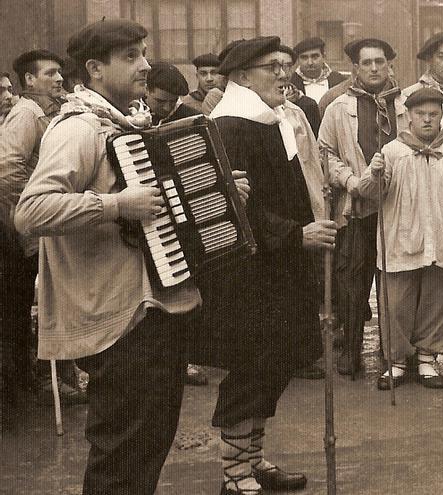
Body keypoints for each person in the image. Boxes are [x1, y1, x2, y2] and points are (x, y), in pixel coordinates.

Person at [14, 19, 241, 494]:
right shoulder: (79, 128)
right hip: (116, 321)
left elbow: (165, 211)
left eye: (144, 53)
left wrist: (220, 192)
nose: (146, 65)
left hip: (150, 312)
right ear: (95, 69)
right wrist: (117, 205)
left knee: (146, 447)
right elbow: (31, 211)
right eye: (131, 57)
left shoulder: (132, 125)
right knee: (120, 452)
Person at [199, 35, 334, 494]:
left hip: (283, 266)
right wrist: (296, 234)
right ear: (239, 77)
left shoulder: (275, 118)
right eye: (271, 67)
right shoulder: (230, 126)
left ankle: (251, 460)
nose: (284, 73)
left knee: (276, 362)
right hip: (250, 272)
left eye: (285, 65)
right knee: (253, 364)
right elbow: (232, 207)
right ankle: (233, 474)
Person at [358, 87, 443, 389]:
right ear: (409, 117)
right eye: (420, 115)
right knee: (397, 303)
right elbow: (369, 194)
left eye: (433, 114)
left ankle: (428, 356)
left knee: (439, 298)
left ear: (442, 115)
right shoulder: (391, 152)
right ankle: (398, 360)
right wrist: (375, 175)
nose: (427, 120)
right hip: (402, 239)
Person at [0, 48, 88, 406]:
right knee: (46, 304)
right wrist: (35, 214)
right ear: (29, 81)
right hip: (31, 233)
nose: (59, 80)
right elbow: (6, 171)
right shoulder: (27, 112)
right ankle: (45, 383)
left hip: (40, 230)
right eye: (50, 74)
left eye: (60, 74)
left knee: (52, 303)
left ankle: (49, 379)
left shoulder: (47, 111)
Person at [319, 38, 407, 375]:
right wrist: (348, 180)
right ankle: (352, 348)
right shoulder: (339, 106)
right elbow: (324, 152)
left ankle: (393, 349)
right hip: (356, 208)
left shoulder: (404, 104)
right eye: (366, 63)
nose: (373, 69)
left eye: (379, 62)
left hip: (396, 207)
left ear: (389, 66)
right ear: (355, 68)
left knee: (395, 277)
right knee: (352, 279)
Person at [290, 37, 348, 105]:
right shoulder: (290, 83)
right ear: (298, 60)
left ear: (323, 56)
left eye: (314, 57)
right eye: (304, 57)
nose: (310, 62)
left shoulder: (340, 81)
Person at [144, 61, 201, 126]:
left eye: (173, 101)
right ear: (146, 90)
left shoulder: (192, 118)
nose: (167, 108)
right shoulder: (131, 112)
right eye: (160, 101)